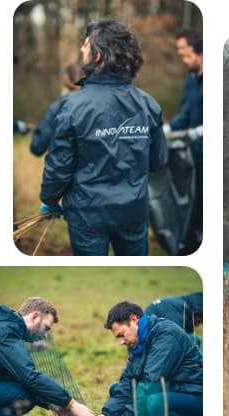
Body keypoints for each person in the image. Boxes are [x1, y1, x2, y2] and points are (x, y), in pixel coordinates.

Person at [39, 19, 168, 256]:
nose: (81, 50)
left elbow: (58, 166)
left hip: (87, 215)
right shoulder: (149, 104)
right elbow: (158, 161)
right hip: (132, 212)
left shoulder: (72, 106)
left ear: (97, 56)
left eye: (86, 45)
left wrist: (49, 198)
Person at [68, 301, 203, 416]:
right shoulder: (139, 343)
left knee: (154, 402)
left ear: (134, 319)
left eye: (121, 334)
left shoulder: (166, 335)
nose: (121, 342)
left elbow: (150, 382)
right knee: (117, 389)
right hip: (176, 392)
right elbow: (127, 383)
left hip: (197, 396)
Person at [165, 28, 203, 165]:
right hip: (194, 150)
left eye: (182, 48)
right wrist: (168, 128)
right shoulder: (191, 77)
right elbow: (186, 111)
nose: (180, 54)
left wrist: (200, 131)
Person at [30, 63, 83, 156]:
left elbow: (37, 146)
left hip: (65, 167)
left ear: (66, 81)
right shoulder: (100, 104)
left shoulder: (58, 107)